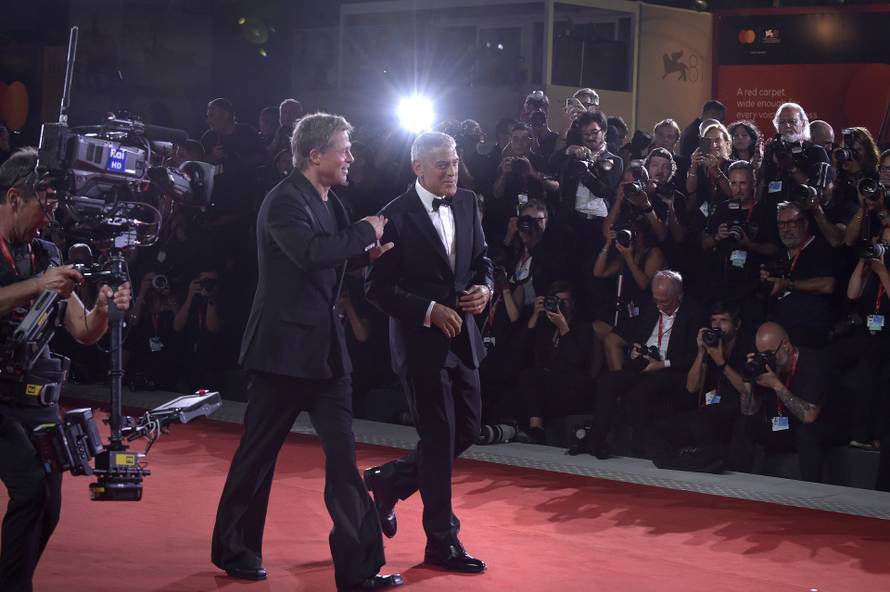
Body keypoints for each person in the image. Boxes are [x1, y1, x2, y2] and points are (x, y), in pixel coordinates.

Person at [211, 113, 402, 591]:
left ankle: (358, 571)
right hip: (280, 351)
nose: (351, 158)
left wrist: (364, 256)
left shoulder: (329, 200)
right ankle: (235, 549)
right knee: (258, 455)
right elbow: (311, 254)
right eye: (343, 149)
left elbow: (332, 256)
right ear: (315, 155)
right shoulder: (282, 202)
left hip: (326, 352)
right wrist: (363, 233)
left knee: (343, 457)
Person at [0, 148, 132, 592]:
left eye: (55, 207)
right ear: (15, 198)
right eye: (44, 206)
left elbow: (82, 330)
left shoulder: (47, 252)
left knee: (50, 505)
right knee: (30, 489)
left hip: (34, 395)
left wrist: (101, 310)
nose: (48, 218)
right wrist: (38, 285)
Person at [365, 131, 493, 573]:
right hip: (421, 345)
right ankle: (442, 541)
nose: (452, 171)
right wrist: (428, 311)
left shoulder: (469, 202)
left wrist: (485, 289)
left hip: (464, 338)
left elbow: (482, 260)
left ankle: (392, 480)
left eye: (455, 162)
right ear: (417, 167)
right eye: (442, 164)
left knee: (469, 430)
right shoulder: (392, 217)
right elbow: (377, 289)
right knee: (438, 442)